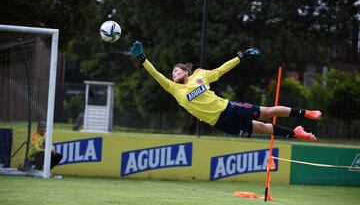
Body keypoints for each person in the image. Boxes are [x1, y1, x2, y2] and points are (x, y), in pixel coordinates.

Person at [130, 41, 321, 141]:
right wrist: (143, 59)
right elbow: (155, 74)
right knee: (263, 129)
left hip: (229, 108)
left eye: (177, 70)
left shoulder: (200, 75)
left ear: (185, 71)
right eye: (172, 72)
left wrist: (241, 57)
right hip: (221, 123)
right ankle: (296, 133)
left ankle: (307, 113)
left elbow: (221, 69)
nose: (173, 73)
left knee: (268, 113)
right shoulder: (173, 89)